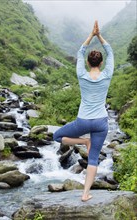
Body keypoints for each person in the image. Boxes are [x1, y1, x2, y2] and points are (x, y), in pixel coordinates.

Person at [53, 21, 114, 202]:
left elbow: (80, 51)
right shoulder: (107, 74)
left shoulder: (81, 74)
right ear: (101, 63)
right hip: (101, 122)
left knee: (57, 136)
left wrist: (91, 35)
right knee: (93, 158)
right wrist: (99, 35)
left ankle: (83, 140)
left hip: (83, 121)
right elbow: (110, 51)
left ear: (87, 62)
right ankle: (85, 193)